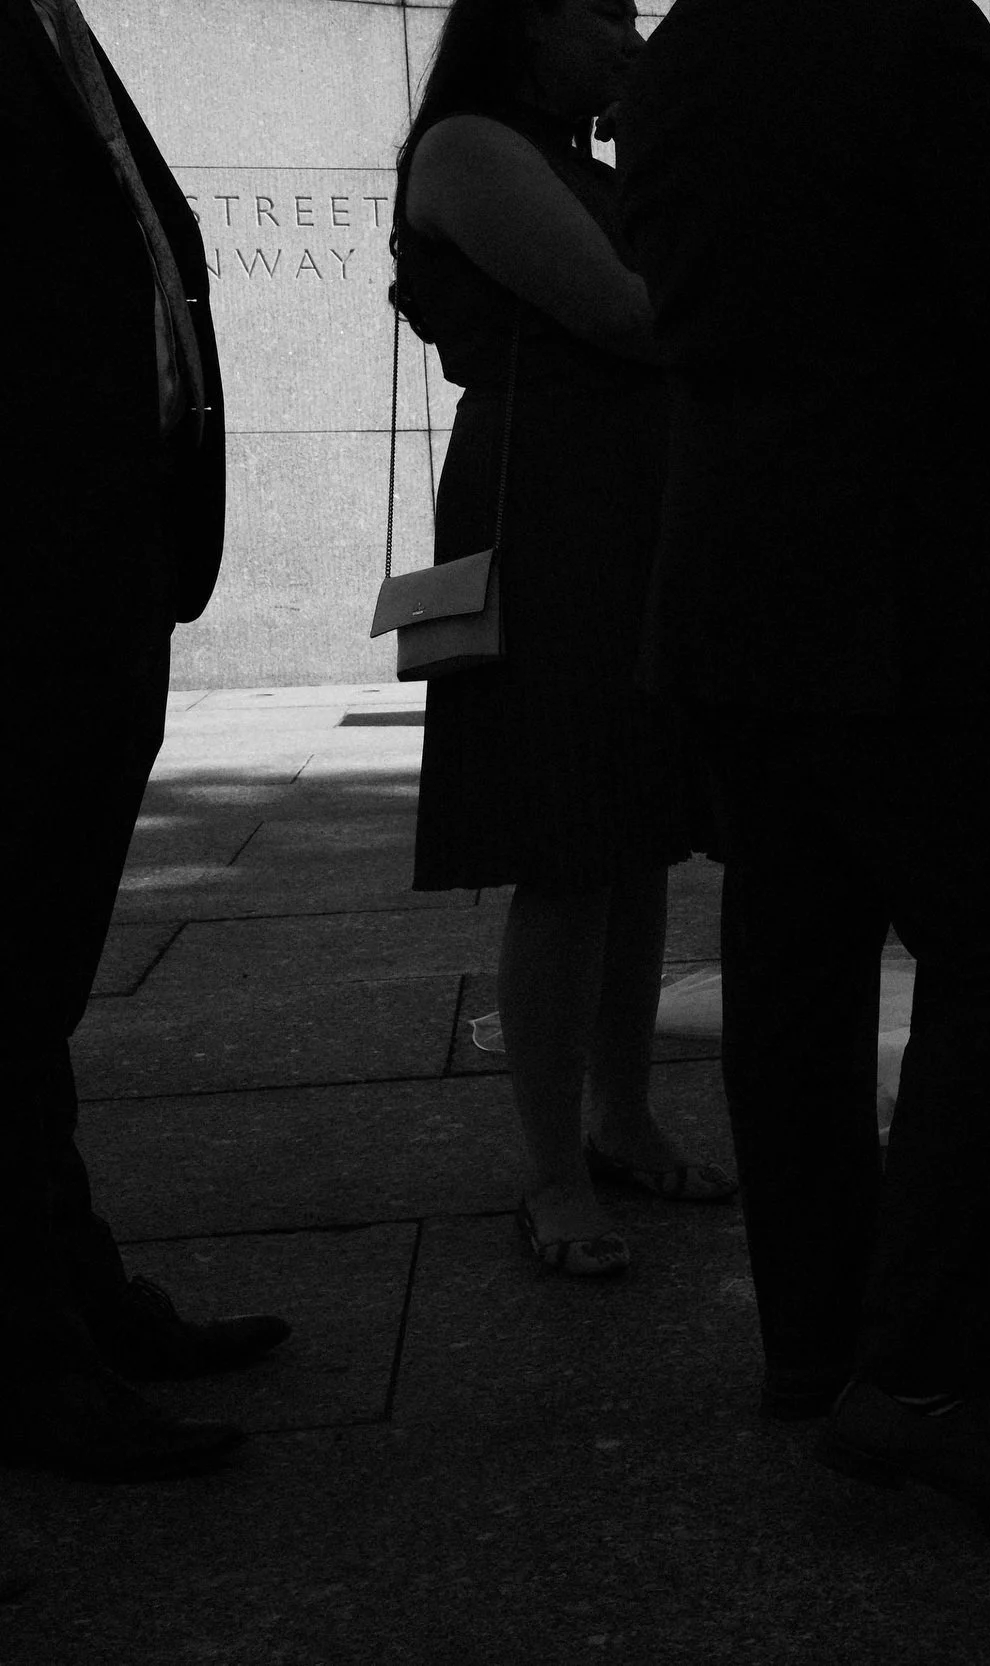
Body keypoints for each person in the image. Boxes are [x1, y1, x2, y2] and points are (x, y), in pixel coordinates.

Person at [616, 0, 990, 1526]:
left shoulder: (687, 45)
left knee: (797, 955)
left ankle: (821, 1339)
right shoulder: (904, 26)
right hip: (899, 569)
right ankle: (924, 1380)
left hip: (727, 569)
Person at [2, 0, 288, 1480]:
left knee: (36, 981)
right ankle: (37, 1361)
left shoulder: (58, 29)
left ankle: (81, 1298)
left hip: (111, 563)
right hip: (28, 579)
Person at [395, 0, 726, 1279]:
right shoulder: (471, 146)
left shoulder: (579, 161)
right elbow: (630, 311)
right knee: (567, 840)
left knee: (638, 833)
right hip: (553, 506)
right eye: (603, 14)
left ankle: (625, 1116)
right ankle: (553, 1170)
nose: (629, 41)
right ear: (527, 26)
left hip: (632, 502)